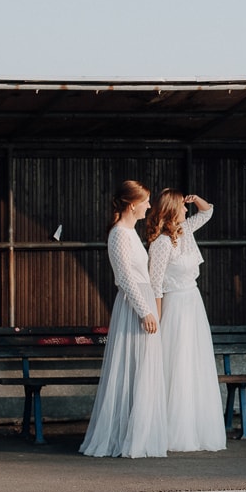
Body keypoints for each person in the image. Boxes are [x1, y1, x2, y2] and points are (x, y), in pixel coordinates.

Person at [80, 180, 167, 458]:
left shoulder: (131, 233)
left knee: (141, 369)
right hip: (133, 305)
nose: (149, 206)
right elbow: (125, 278)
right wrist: (144, 311)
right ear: (132, 204)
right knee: (132, 367)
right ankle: (124, 436)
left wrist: (152, 306)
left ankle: (138, 433)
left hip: (142, 301)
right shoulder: (119, 234)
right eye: (146, 201)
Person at [146, 189, 227, 451]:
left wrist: (195, 199)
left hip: (193, 304)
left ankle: (196, 427)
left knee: (194, 364)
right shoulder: (160, 244)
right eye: (182, 206)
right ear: (171, 209)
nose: (186, 209)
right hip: (175, 307)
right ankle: (172, 431)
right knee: (177, 364)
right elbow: (155, 286)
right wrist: (156, 321)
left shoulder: (186, 231)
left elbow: (209, 211)